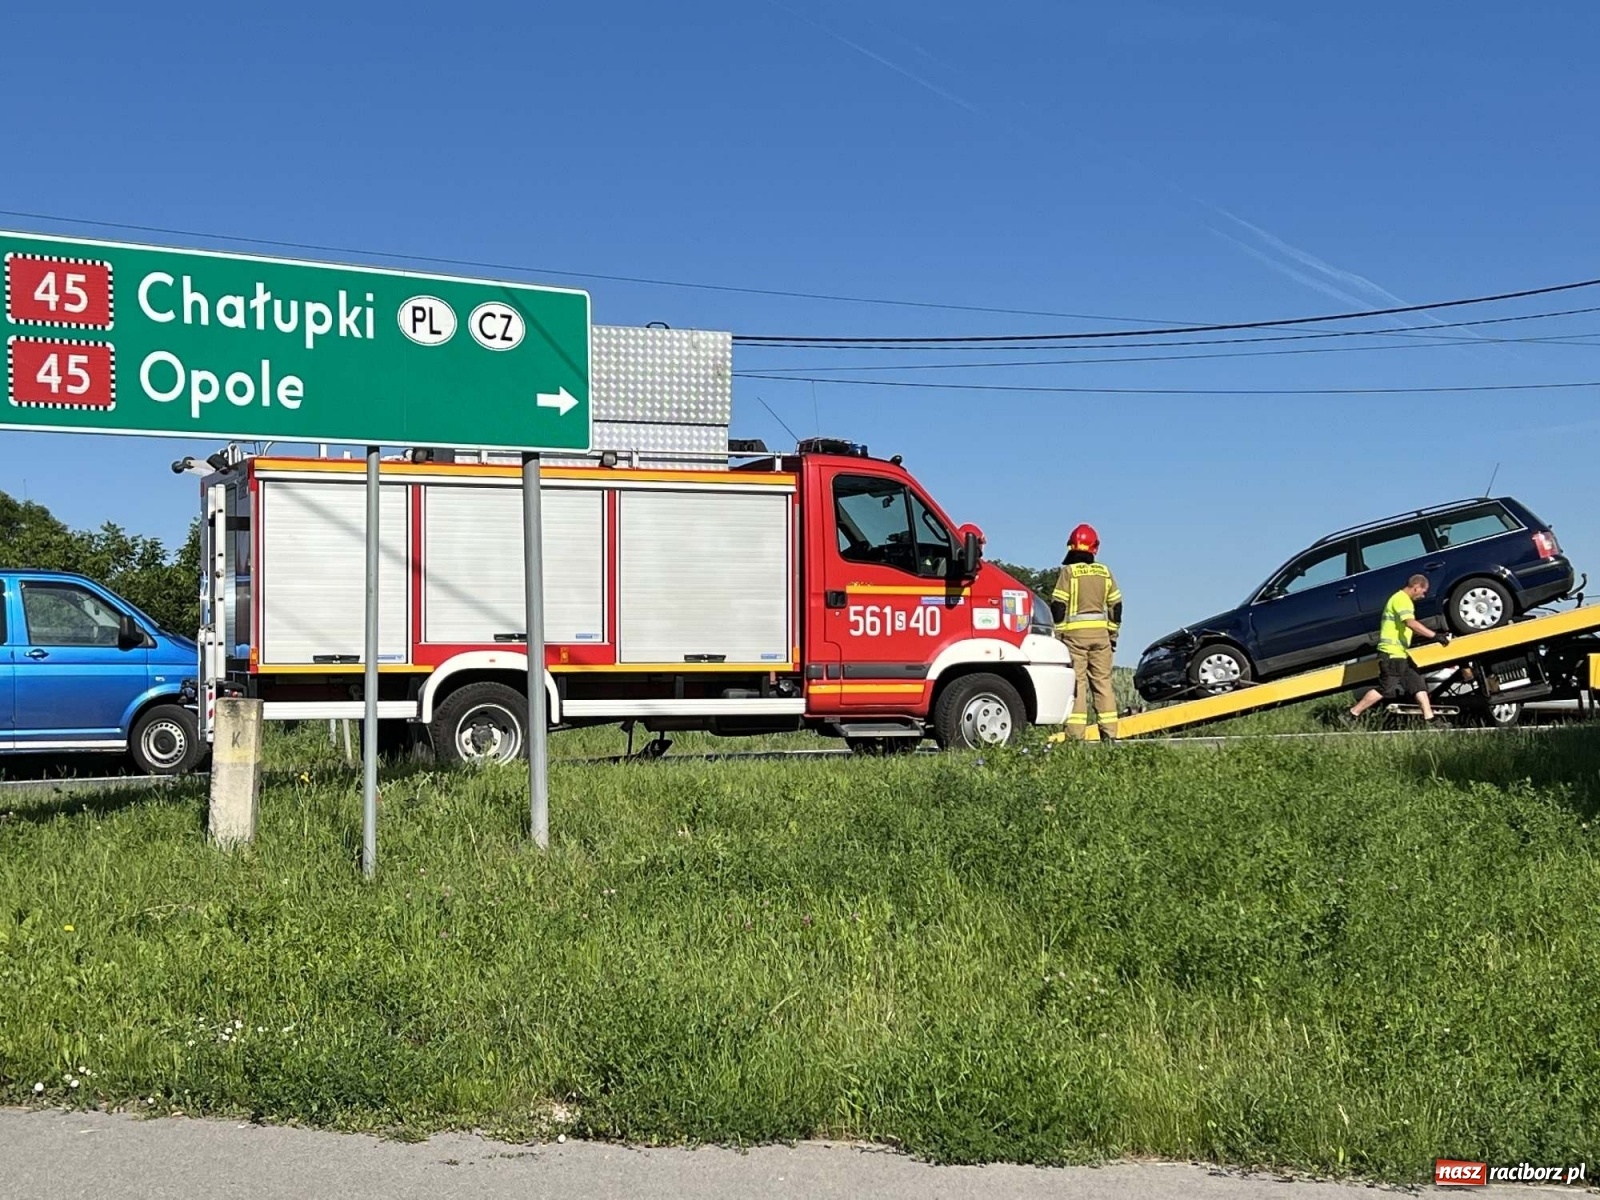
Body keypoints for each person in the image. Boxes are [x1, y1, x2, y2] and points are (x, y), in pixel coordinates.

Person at [1051, 523, 1122, 739]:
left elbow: (1058, 607)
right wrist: (1112, 635)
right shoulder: (1105, 572)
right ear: (1095, 547)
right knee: (1103, 684)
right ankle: (1110, 735)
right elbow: (1116, 606)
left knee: (1077, 685)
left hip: (1075, 640)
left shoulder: (1069, 572)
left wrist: (1059, 636)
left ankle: (1075, 737)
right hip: (1101, 638)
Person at [1349, 573, 1450, 722]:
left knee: (1417, 684)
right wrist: (1435, 636)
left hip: (1400, 654)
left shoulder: (1400, 599)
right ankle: (1352, 713)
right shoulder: (1401, 600)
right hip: (1391, 653)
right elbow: (1411, 623)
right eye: (1423, 592)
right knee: (1386, 688)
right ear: (1416, 587)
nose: (1423, 596)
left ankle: (1430, 718)